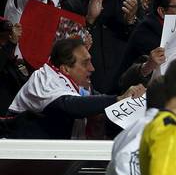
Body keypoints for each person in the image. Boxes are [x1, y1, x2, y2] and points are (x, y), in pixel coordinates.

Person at [7, 38, 143, 139]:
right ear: (65, 68)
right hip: (19, 154)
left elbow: (97, 104)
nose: (92, 68)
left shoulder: (79, 85)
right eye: (85, 63)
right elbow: (69, 105)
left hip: (53, 158)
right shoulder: (44, 77)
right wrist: (117, 99)